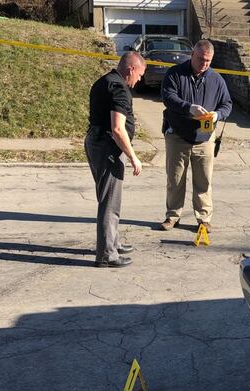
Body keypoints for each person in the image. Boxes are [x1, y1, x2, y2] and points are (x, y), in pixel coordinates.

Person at [159, 40, 233, 232]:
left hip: (205, 139)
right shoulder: (175, 74)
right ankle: (173, 215)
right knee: (175, 179)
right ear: (192, 54)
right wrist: (189, 108)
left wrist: (218, 114)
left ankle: (204, 218)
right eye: (201, 59)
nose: (204, 64)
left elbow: (227, 104)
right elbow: (168, 97)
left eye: (208, 61)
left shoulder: (217, 80)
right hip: (177, 136)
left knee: (204, 181)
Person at [84, 52, 146, 268]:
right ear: (130, 69)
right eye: (139, 74)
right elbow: (118, 129)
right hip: (108, 147)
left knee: (109, 198)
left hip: (95, 141)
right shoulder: (120, 89)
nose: (139, 80)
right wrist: (133, 157)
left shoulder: (104, 81)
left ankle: (113, 242)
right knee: (109, 201)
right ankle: (106, 255)